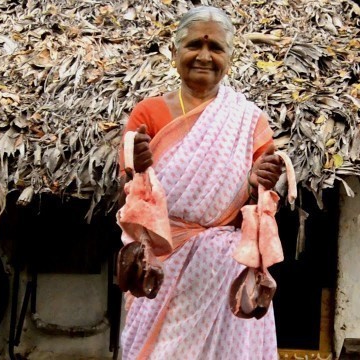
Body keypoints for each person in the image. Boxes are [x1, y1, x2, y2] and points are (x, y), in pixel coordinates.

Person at [118, 6, 283, 359]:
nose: (204, 56)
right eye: (194, 45)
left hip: (221, 274)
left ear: (230, 57)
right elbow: (129, 196)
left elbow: (261, 212)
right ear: (175, 52)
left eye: (216, 49)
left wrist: (255, 184)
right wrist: (140, 171)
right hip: (161, 265)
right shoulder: (148, 114)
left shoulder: (247, 120)